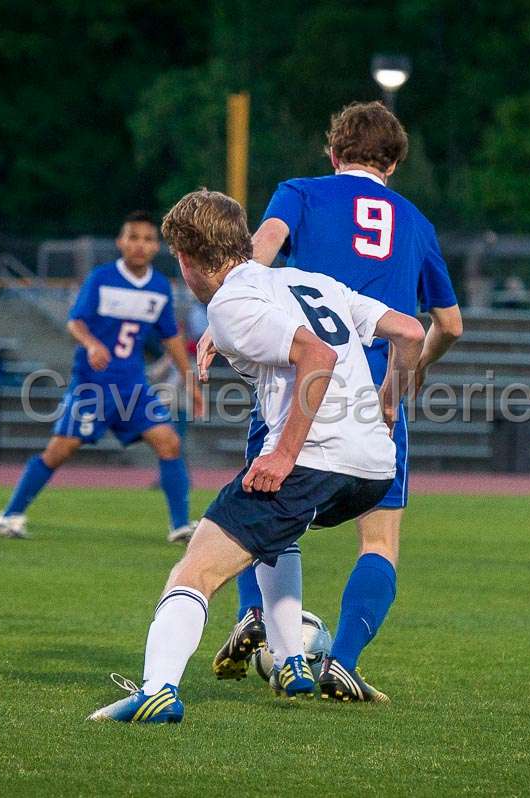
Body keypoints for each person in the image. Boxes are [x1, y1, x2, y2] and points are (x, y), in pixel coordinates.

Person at [87, 189, 425, 723]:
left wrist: (285, 454)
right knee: (272, 531)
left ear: (187, 259)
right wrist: (389, 401)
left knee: (194, 572)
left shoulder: (228, 305)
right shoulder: (308, 281)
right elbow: (411, 330)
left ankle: (157, 691)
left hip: (316, 460)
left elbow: (316, 354)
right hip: (374, 470)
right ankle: (292, 661)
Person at [199, 101, 462, 701]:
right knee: (380, 543)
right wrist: (405, 382)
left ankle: (257, 618)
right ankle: (341, 659)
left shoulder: (301, 191)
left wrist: (229, 311)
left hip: (299, 388)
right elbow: (448, 323)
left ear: (333, 152)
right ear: (393, 163)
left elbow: (263, 244)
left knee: (264, 514)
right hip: (374, 400)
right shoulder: (417, 223)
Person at [0, 211, 201, 543]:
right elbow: (75, 322)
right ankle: (10, 514)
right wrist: (91, 345)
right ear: (121, 242)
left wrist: (191, 379)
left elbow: (170, 337)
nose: (140, 245)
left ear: (156, 246)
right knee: (60, 451)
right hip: (93, 387)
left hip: (133, 389)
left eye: (147, 239)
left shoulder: (160, 287)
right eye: (133, 237)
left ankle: (180, 526)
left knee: (169, 442)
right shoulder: (101, 278)